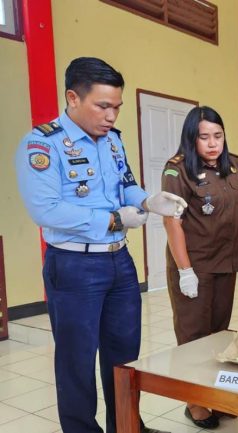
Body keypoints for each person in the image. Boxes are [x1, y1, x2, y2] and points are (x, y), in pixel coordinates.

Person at [14, 57, 182, 433]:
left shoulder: (112, 141)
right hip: (74, 266)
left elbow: (125, 183)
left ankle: (125, 426)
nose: (111, 116)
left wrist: (147, 200)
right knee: (76, 361)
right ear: (73, 98)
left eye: (117, 107)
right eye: (103, 106)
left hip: (118, 262)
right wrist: (114, 219)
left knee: (124, 355)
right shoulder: (43, 144)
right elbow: (46, 210)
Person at [161, 106, 238, 429]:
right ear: (192, 138)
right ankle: (195, 403)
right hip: (195, 264)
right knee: (193, 336)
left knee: (219, 335)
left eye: (217, 136)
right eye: (204, 137)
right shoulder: (177, 170)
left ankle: (215, 396)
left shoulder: (233, 164)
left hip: (226, 262)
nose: (212, 143)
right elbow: (171, 222)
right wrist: (185, 270)